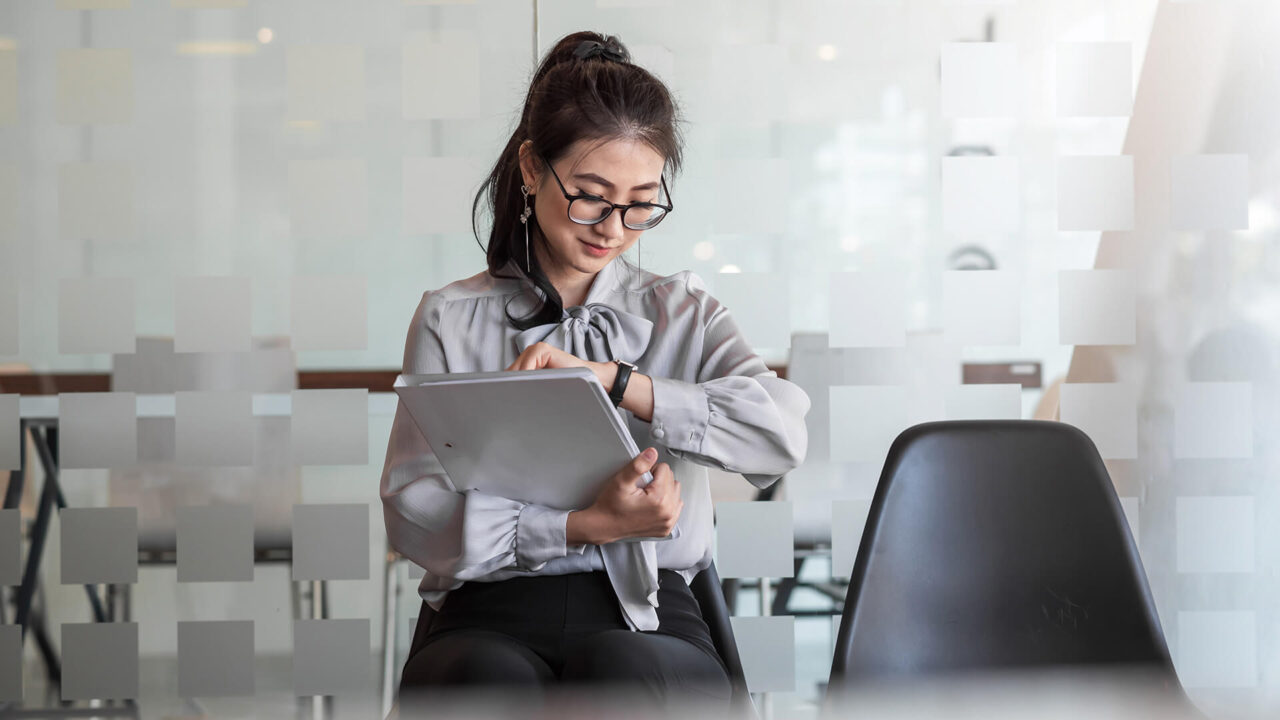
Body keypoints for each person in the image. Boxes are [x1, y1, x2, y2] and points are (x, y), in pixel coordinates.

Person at [382, 30, 810, 715]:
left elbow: (780, 433)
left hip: (648, 609)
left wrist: (617, 380)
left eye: (642, 201)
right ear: (530, 167)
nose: (614, 227)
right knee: (481, 682)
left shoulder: (684, 312)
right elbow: (412, 512)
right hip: (489, 610)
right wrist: (583, 525)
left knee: (619, 672)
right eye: (590, 195)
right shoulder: (449, 318)